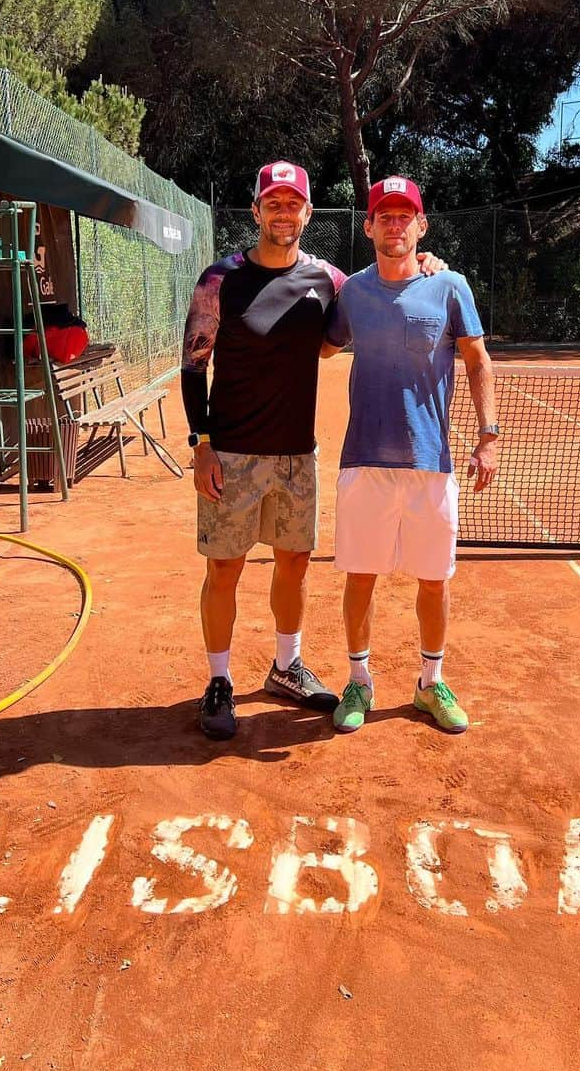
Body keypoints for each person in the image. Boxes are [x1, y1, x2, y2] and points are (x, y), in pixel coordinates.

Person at [181, 161, 445, 740]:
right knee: (224, 568)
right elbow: (193, 365)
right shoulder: (218, 280)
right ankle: (220, 680)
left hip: (299, 456)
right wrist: (201, 443)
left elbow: (386, 287)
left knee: (294, 564)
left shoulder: (330, 280)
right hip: (230, 454)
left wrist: (427, 266)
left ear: (307, 213)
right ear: (255, 212)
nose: (282, 211)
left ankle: (286, 666)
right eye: (271, 202)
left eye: (292, 203)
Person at [322, 175, 499, 736]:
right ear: (368, 225)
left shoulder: (449, 286)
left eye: (406, 216)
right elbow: (316, 347)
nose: (394, 225)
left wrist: (488, 435)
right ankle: (359, 682)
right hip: (364, 462)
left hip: (431, 463)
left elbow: (477, 360)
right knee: (360, 575)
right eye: (384, 215)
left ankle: (430, 684)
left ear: (421, 226)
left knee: (434, 579)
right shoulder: (350, 292)